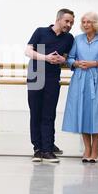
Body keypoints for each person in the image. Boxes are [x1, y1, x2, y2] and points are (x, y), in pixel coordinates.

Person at [62, 12, 98, 163]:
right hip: (80, 79)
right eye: (83, 22)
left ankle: (95, 148)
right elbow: (70, 58)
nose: (85, 25)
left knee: (97, 113)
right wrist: (77, 63)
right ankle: (87, 148)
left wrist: (95, 63)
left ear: (95, 24)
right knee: (83, 113)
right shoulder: (77, 39)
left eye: (89, 22)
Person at [25, 9, 75, 163]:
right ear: (58, 19)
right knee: (35, 113)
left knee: (49, 113)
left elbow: (67, 58)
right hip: (36, 74)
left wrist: (62, 60)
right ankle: (37, 149)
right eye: (67, 21)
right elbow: (28, 51)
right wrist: (46, 58)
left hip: (53, 77)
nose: (69, 25)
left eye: (72, 22)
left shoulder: (69, 38)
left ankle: (47, 149)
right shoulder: (40, 32)